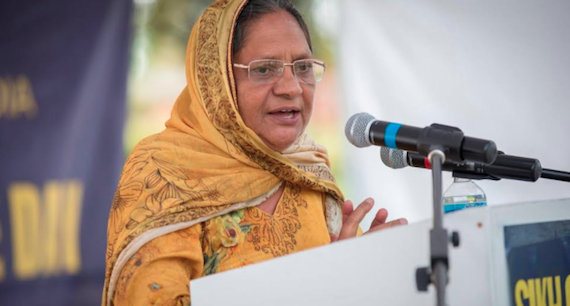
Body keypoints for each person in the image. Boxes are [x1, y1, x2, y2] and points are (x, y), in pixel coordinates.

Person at [102, 0, 407, 305]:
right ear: (216, 81)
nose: (292, 88)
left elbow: (339, 285)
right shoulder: (163, 171)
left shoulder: (310, 173)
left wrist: (363, 271)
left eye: (303, 67)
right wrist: (330, 280)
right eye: (264, 69)